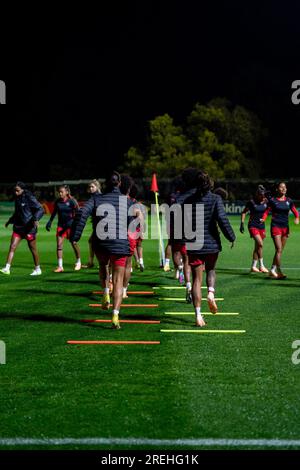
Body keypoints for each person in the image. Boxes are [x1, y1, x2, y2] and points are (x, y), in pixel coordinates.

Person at [71, 171, 134, 329]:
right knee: (118, 282)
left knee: (103, 266)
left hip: (101, 243)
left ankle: (106, 292)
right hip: (120, 245)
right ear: (119, 183)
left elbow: (82, 213)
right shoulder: (127, 201)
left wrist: (75, 235)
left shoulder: (96, 199)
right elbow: (132, 224)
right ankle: (115, 315)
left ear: (105, 184)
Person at [185, 171, 236, 326]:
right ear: (210, 184)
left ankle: (198, 316)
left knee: (196, 280)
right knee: (211, 270)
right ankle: (211, 293)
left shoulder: (188, 200)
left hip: (194, 244)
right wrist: (231, 237)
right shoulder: (215, 199)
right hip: (212, 243)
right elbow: (222, 219)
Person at [0, 182, 44, 276]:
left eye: (18, 190)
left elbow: (40, 209)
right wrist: (10, 221)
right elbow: (17, 212)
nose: (16, 192)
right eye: (15, 190)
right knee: (12, 246)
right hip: (18, 227)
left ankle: (38, 269)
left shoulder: (29, 197)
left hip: (29, 228)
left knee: (33, 249)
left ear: (23, 190)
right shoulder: (17, 198)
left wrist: (36, 218)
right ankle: (7, 268)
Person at [263, 182, 299, 279]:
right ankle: (279, 272)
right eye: (281, 187)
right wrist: (263, 218)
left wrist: (297, 218)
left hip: (285, 228)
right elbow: (267, 211)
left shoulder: (289, 200)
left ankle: (272, 270)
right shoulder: (273, 200)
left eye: (285, 187)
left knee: (280, 251)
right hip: (276, 226)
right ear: (277, 189)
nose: (283, 189)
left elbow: (295, 212)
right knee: (278, 249)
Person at [46, 184, 81, 272]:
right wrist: (50, 222)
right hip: (61, 226)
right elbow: (54, 212)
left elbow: (79, 212)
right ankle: (60, 266)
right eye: (59, 192)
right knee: (59, 245)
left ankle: (78, 262)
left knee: (73, 243)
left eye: (62, 192)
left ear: (66, 192)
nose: (60, 194)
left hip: (70, 226)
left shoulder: (72, 201)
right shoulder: (58, 201)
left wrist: (77, 223)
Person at [240, 186, 269, 273]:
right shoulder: (251, 202)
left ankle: (253, 266)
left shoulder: (266, 201)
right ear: (257, 194)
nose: (263, 197)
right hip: (252, 225)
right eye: (261, 195)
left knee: (257, 246)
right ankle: (262, 266)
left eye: (264, 195)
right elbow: (244, 212)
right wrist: (242, 223)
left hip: (261, 226)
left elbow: (267, 211)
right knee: (260, 244)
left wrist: (264, 218)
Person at [82, 179, 102, 269]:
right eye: (90, 187)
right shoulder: (94, 197)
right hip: (97, 225)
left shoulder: (98, 197)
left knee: (95, 243)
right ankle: (92, 262)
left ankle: (95, 262)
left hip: (100, 225)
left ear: (97, 187)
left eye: (92, 187)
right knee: (92, 241)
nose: (90, 188)